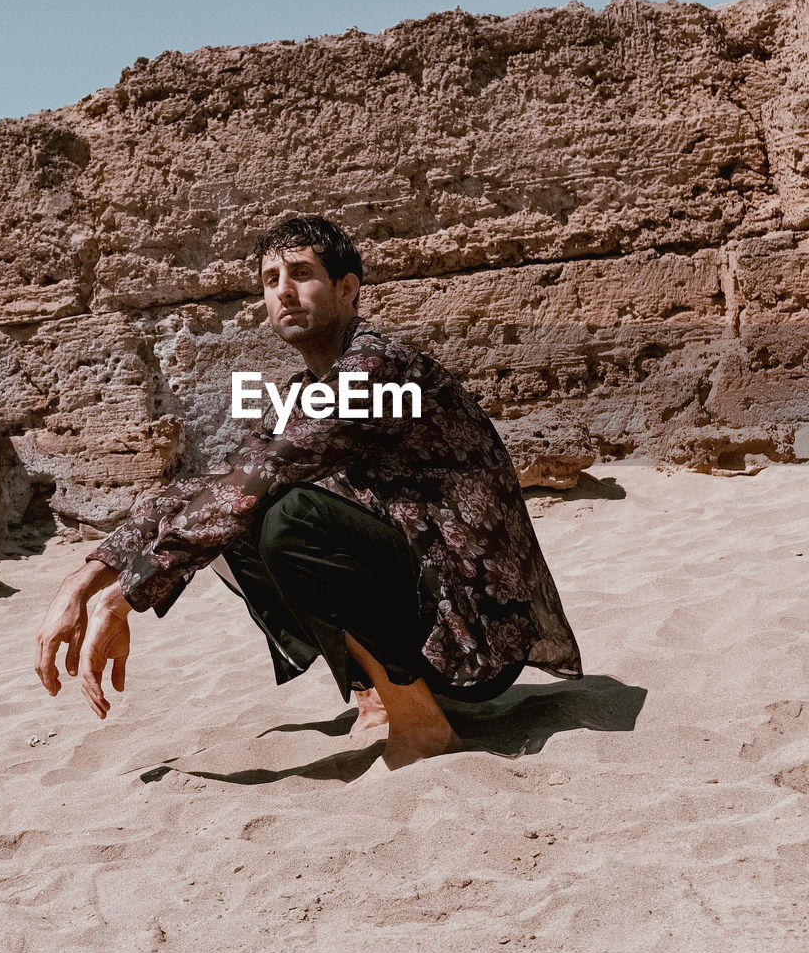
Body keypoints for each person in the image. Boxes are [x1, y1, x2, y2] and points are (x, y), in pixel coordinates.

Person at [35, 217, 583, 772]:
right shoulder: (301, 392)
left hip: (473, 633)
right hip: (427, 610)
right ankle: (376, 691)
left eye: (301, 273)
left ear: (347, 288)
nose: (284, 292)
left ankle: (421, 726)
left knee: (289, 517)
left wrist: (125, 597)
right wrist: (87, 578)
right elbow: (217, 487)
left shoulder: (377, 368)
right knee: (233, 517)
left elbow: (262, 478)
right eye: (271, 279)